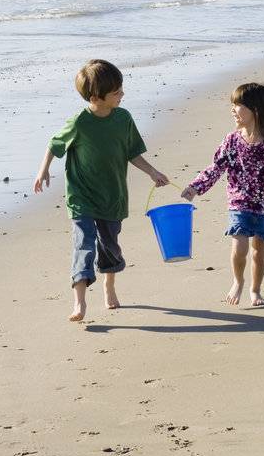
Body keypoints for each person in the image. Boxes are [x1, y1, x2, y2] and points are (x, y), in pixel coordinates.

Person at [35, 59, 170, 321]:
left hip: (112, 195)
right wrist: (43, 171)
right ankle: (80, 303)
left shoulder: (123, 118)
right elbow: (54, 144)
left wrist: (153, 172)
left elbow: (133, 152)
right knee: (83, 245)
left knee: (109, 246)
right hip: (81, 197)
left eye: (121, 89)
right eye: (116, 92)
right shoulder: (80, 123)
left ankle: (109, 285)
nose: (122, 95)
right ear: (96, 98)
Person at [181, 81, 264, 307]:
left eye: (238, 105)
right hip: (239, 201)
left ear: (256, 110)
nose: (233, 110)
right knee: (239, 246)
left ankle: (255, 289)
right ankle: (238, 281)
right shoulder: (232, 140)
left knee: (258, 251)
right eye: (232, 105)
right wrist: (196, 187)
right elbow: (216, 168)